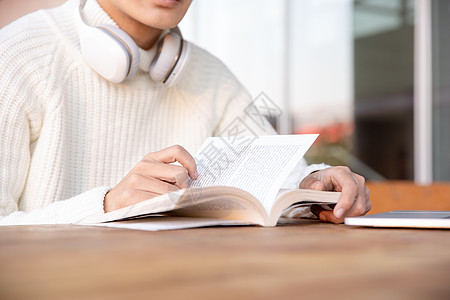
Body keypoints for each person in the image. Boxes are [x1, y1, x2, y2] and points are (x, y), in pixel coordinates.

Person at [0, 0, 371, 225]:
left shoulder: (209, 76)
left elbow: (277, 184)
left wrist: (316, 188)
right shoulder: (19, 54)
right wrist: (108, 205)